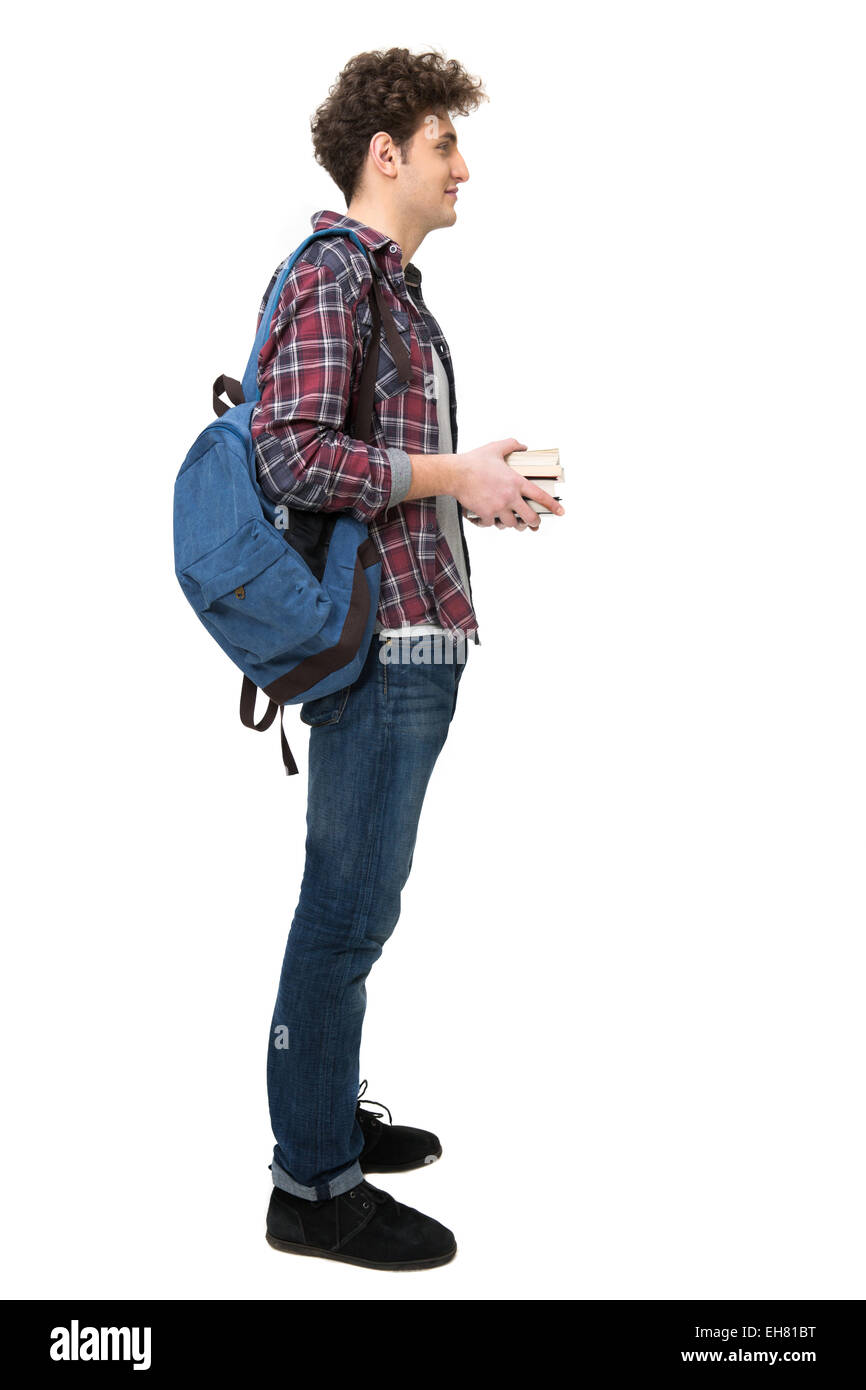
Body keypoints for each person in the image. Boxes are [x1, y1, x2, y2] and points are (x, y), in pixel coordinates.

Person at [250, 47, 564, 1272]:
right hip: (376, 644)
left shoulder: (395, 290)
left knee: (360, 910)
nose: (462, 165)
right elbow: (288, 455)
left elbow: (366, 465)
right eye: (445, 143)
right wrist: (446, 475)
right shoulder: (334, 274)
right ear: (386, 154)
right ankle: (310, 1187)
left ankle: (326, 1115)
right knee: (341, 914)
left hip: (412, 634)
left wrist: (469, 484)